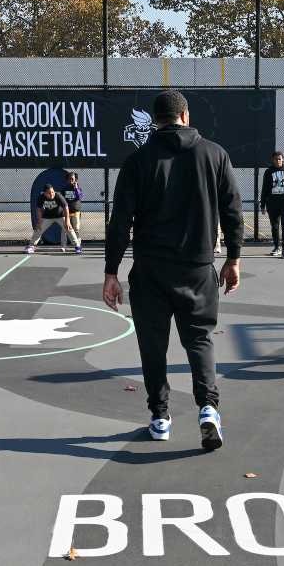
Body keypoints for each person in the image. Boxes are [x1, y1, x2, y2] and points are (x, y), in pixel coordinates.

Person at [103, 89, 242, 450]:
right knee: (199, 340)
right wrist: (234, 258)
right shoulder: (215, 154)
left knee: (153, 346)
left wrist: (111, 272)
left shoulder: (138, 161)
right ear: (186, 115)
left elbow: (120, 222)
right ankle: (208, 408)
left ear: (155, 120)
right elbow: (233, 213)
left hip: (150, 270)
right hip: (197, 268)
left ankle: (160, 416)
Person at [27, 183, 81, 254]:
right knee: (38, 229)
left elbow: (66, 207)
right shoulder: (41, 197)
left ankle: (77, 246)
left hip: (60, 216)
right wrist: (39, 221)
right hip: (47, 217)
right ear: (45, 193)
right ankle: (31, 246)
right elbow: (39, 209)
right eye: (49, 193)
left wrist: (67, 221)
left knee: (69, 228)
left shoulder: (58, 195)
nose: (52, 194)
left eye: (52, 192)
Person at [62, 171, 84, 249]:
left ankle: (78, 245)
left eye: (72, 179)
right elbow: (61, 199)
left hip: (75, 212)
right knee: (65, 229)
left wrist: (76, 188)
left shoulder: (78, 188)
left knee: (76, 229)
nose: (71, 180)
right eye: (69, 179)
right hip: (67, 212)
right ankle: (63, 246)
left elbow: (79, 197)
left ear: (75, 179)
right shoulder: (64, 188)